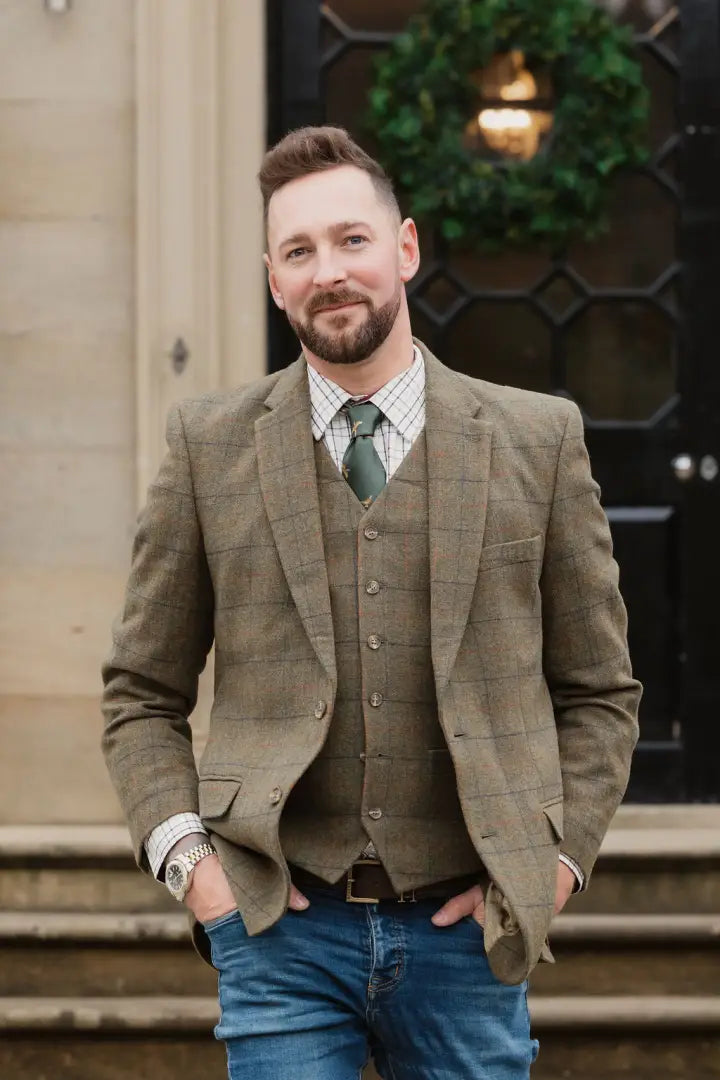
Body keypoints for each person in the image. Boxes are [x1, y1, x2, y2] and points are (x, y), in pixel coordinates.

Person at [101, 126, 641, 1080]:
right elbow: (141, 694)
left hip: (468, 939)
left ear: (405, 249)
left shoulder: (538, 439)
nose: (329, 271)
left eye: (352, 240)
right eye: (299, 251)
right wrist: (198, 873)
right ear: (274, 280)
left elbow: (599, 693)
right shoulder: (206, 447)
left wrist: (549, 872)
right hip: (277, 930)